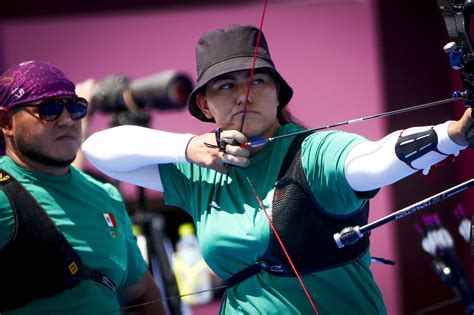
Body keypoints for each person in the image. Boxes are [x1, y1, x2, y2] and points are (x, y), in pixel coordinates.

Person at [82, 25, 473, 314]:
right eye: (225, 86)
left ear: (276, 92)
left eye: (258, 80)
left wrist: (450, 135)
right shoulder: (200, 171)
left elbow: (373, 160)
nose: (244, 94)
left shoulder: (314, 151)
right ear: (204, 106)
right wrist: (186, 148)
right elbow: (97, 149)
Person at [0, 61, 166, 315]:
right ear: (6, 121)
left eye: (75, 108)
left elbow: (141, 293)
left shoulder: (105, 195)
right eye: (49, 108)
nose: (67, 119)